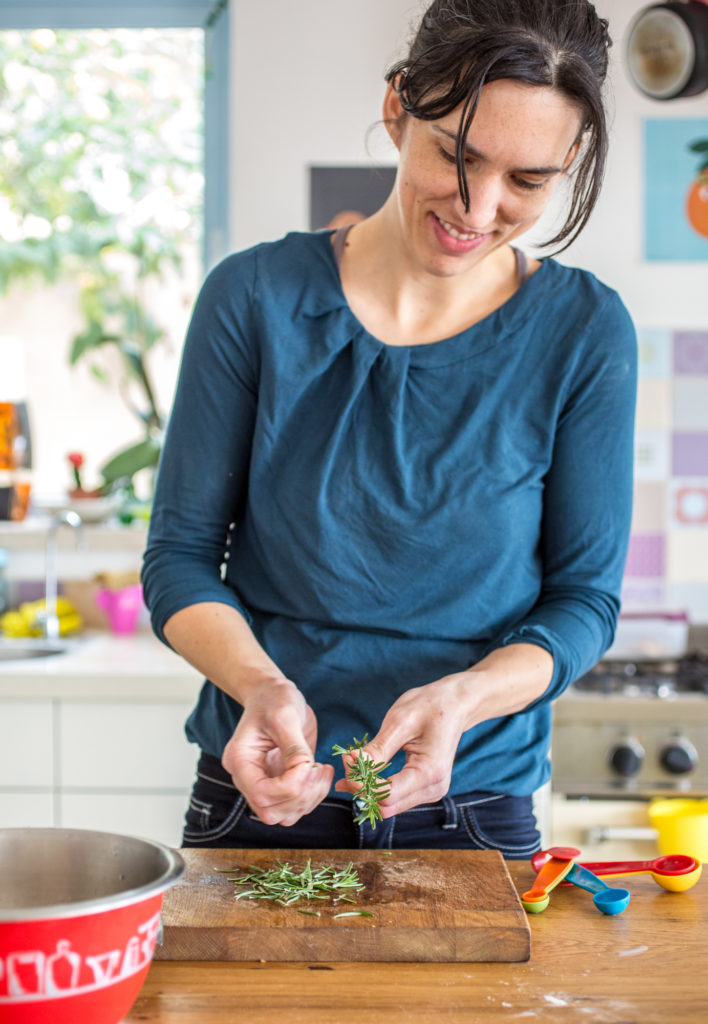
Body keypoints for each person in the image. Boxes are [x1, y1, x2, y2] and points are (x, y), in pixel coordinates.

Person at [142, 0, 637, 855]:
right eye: (457, 154)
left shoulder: (584, 333)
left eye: (527, 181)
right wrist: (259, 685)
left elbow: (584, 602)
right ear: (398, 108)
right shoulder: (255, 299)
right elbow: (179, 561)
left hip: (473, 806)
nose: (479, 209)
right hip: (263, 795)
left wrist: (466, 699)